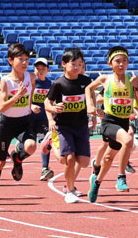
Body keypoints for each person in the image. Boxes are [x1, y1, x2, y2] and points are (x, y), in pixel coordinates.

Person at [86, 46, 138, 203]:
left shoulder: (131, 81)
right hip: (109, 122)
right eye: (117, 61)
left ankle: (96, 183)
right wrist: (91, 106)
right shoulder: (105, 79)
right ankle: (121, 177)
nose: (121, 64)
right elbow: (88, 88)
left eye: (124, 61)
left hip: (123, 122)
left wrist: (137, 87)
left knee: (108, 158)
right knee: (127, 140)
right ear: (109, 64)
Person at [0, 43, 37, 212]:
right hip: (7, 123)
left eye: (27, 59)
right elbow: (2, 107)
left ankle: (17, 158)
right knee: (0, 162)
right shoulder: (6, 81)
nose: (24, 63)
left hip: (24, 121)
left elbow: (30, 96)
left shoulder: (30, 77)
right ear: (10, 60)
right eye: (20, 59)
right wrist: (17, 96)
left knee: (31, 146)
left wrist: (31, 107)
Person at [44, 48, 92, 203]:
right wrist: (52, 110)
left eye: (80, 64)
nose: (77, 67)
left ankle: (51, 142)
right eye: (74, 64)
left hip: (81, 126)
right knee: (69, 159)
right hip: (64, 126)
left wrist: (95, 112)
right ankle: (70, 191)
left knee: (83, 162)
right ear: (64, 64)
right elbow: (47, 102)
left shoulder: (86, 82)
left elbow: (91, 98)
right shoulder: (58, 84)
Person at [30, 58, 54, 181]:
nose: (40, 71)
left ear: (48, 70)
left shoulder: (50, 84)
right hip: (29, 119)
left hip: (43, 120)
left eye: (43, 68)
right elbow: (21, 100)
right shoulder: (30, 82)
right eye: (37, 68)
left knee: (45, 142)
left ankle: (45, 168)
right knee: (28, 146)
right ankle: (17, 153)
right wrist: (31, 106)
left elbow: (52, 101)